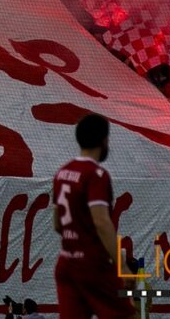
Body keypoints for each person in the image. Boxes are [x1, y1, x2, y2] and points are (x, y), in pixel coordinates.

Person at [51, 114, 134, 319]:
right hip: (92, 265)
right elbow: (101, 221)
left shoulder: (62, 172)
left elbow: (57, 224)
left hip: (66, 263)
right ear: (104, 140)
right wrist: (121, 265)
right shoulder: (96, 175)